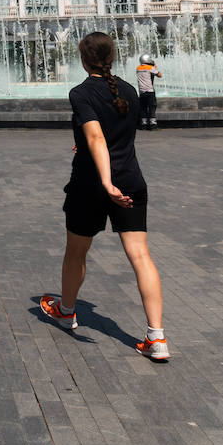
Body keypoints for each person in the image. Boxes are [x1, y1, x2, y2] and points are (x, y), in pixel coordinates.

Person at [39, 31, 170, 363]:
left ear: (84, 60)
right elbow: (113, 134)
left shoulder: (81, 93)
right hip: (132, 180)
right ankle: (157, 337)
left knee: (76, 253)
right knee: (140, 255)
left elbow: (97, 137)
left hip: (92, 185)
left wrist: (106, 182)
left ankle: (67, 312)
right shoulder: (128, 90)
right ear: (113, 57)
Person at [136, 54, 162, 130]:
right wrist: (154, 66)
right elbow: (159, 75)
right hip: (149, 90)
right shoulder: (150, 68)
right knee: (152, 107)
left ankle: (143, 125)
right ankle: (153, 125)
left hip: (141, 91)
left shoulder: (138, 68)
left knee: (143, 107)